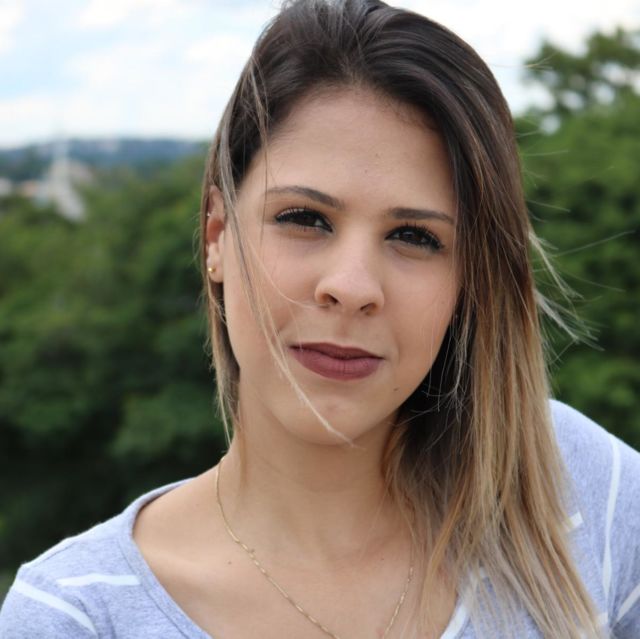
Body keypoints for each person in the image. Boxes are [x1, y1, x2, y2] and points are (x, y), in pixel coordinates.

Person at [1, 0, 639, 637]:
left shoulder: (577, 493)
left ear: (468, 278)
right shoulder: (78, 617)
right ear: (217, 235)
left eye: (414, 236)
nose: (352, 288)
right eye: (305, 219)